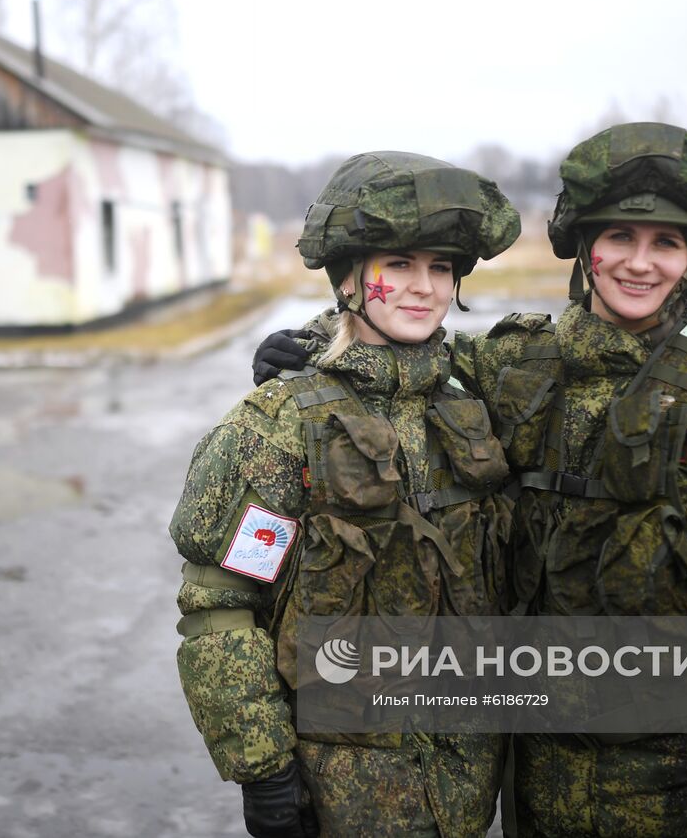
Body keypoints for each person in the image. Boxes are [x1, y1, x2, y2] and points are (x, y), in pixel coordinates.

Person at [254, 124, 687, 838]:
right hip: (538, 786)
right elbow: (404, 350)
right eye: (619, 238)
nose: (640, 263)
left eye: (666, 243)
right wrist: (317, 341)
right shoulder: (516, 367)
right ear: (584, 249)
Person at [170, 150, 522, 838]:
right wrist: (264, 770)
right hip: (341, 803)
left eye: (441, 267)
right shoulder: (280, 422)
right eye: (400, 265)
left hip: (464, 792)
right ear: (351, 279)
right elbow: (221, 606)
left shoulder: (469, 402)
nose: (424, 287)